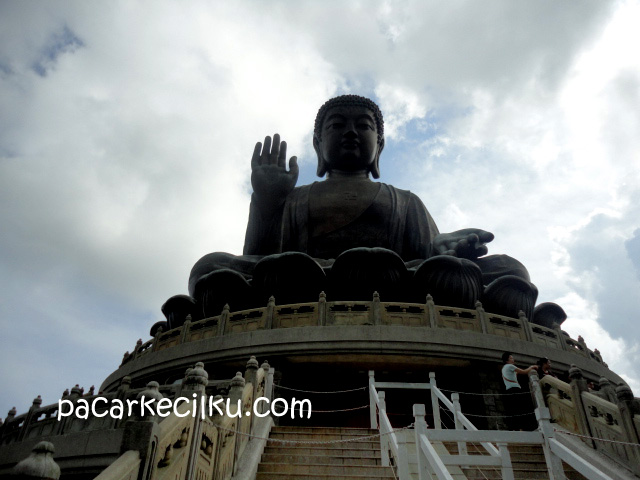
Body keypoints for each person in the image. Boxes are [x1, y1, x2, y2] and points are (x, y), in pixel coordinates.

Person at [187, 95, 534, 316]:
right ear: (318, 144)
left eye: (363, 126)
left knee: (510, 269)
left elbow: (430, 259)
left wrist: (439, 250)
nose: (351, 132)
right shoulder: (295, 198)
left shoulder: (405, 200)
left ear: (379, 145)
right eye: (337, 125)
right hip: (303, 278)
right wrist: (266, 200)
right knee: (210, 267)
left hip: (394, 278)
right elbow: (261, 259)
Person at [501, 352, 538, 430]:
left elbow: (515, 374)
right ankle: (523, 427)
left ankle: (516, 427)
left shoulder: (504, 368)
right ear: (507, 360)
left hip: (509, 390)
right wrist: (531, 367)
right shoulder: (510, 366)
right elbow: (524, 372)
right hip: (515, 389)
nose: (513, 359)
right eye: (511, 358)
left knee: (514, 409)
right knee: (521, 408)